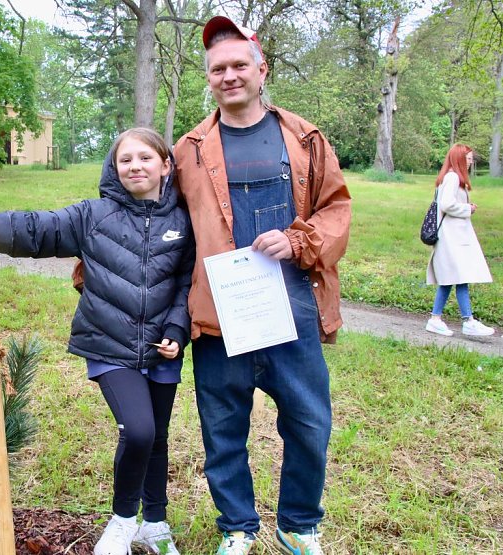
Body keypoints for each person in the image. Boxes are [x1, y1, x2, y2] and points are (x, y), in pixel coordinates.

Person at [0, 128, 195, 555]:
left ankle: (156, 525)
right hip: (109, 345)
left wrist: (177, 331)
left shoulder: (183, 221)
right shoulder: (94, 215)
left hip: (163, 350)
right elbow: (35, 230)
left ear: (166, 165)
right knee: (140, 430)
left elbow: (186, 282)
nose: (135, 166)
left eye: (145, 158)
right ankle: (124, 523)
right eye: (124, 160)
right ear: (114, 169)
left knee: (158, 437)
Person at [172, 16, 351, 555]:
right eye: (217, 69)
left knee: (309, 420)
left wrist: (298, 242)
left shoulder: (303, 137)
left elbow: (336, 209)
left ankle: (298, 524)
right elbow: (165, 224)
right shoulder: (189, 149)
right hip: (219, 312)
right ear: (208, 78)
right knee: (222, 425)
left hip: (292, 305)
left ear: (261, 69)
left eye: (239, 66)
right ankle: (237, 528)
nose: (229, 76)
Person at [424, 144, 494, 337]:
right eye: (469, 159)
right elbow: (447, 204)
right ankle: (467, 321)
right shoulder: (453, 177)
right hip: (451, 238)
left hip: (452, 238)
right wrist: (467, 209)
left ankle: (436, 319)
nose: (471, 162)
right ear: (460, 159)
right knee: (460, 277)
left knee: (451, 279)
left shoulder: (450, 177)